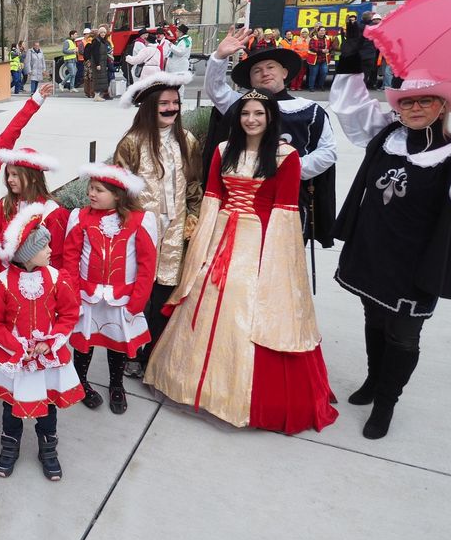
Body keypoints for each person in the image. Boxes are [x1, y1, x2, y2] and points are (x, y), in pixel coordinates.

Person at [145, 90, 338, 434]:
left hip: (260, 238)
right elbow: (213, 199)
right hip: (220, 232)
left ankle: (238, 395)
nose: (251, 119)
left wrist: (278, 266)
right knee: (204, 294)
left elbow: (285, 212)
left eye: (258, 114)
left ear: (270, 118)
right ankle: (191, 385)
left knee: (242, 298)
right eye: (245, 113)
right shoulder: (223, 151)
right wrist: (201, 250)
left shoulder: (286, 156)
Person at [329, 67, 451, 439]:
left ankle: (387, 403)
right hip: (374, 247)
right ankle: (374, 380)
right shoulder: (387, 136)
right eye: (407, 102)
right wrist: (350, 67)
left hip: (416, 260)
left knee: (404, 335)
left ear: (441, 106)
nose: (415, 107)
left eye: (425, 100)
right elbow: (350, 111)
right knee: (374, 317)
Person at [205, 27, 338, 249]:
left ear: (285, 73)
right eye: (257, 70)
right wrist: (219, 57)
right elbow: (216, 89)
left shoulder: (310, 110)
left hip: (290, 200)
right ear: (250, 79)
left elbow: (328, 151)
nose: (264, 73)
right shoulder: (241, 106)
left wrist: (291, 169)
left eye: (270, 68)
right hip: (244, 202)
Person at [0, 204, 84, 481]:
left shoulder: (57, 278)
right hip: (15, 359)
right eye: (44, 246)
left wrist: (51, 341)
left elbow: (69, 314)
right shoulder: (1, 282)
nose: (51, 250)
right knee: (11, 408)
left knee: (47, 407)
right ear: (26, 253)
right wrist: (15, 347)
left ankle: (48, 449)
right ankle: (9, 447)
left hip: (46, 358)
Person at [113, 71, 202, 380]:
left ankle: (154, 352)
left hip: (176, 229)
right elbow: (119, 189)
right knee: (139, 292)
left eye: (175, 103)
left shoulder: (186, 140)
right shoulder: (132, 142)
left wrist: (194, 216)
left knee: (165, 293)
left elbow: (193, 186)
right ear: (149, 107)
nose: (170, 108)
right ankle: (131, 352)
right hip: (141, 230)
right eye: (163, 103)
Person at [63, 163, 158, 415]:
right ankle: (81, 382)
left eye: (99, 190)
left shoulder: (140, 220)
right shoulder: (80, 217)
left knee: (118, 344)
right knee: (84, 344)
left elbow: (147, 266)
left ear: (118, 194)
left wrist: (136, 303)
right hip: (87, 296)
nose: (91, 194)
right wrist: (72, 296)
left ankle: (116, 384)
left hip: (122, 298)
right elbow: (70, 259)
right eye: (90, 188)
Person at [0, 147, 68, 275]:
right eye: (8, 174)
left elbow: (56, 256)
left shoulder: (51, 211)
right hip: (5, 276)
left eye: (15, 175)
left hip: (39, 277)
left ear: (33, 178)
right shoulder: (3, 206)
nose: (9, 180)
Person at [83, 25, 114, 100]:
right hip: (98, 63)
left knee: (101, 80)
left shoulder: (103, 41)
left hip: (102, 63)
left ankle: (99, 95)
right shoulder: (96, 41)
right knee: (97, 79)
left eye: (104, 32)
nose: (103, 34)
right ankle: (96, 96)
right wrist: (97, 64)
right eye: (101, 32)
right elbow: (95, 53)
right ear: (99, 33)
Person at [307, 27, 331, 92]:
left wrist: (329, 49)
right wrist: (321, 50)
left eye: (324, 30)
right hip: (315, 59)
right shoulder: (313, 38)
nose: (322, 32)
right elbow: (311, 48)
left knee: (324, 72)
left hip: (324, 59)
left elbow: (330, 46)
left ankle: (321, 85)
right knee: (313, 74)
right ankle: (311, 87)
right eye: (321, 30)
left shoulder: (328, 38)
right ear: (318, 31)